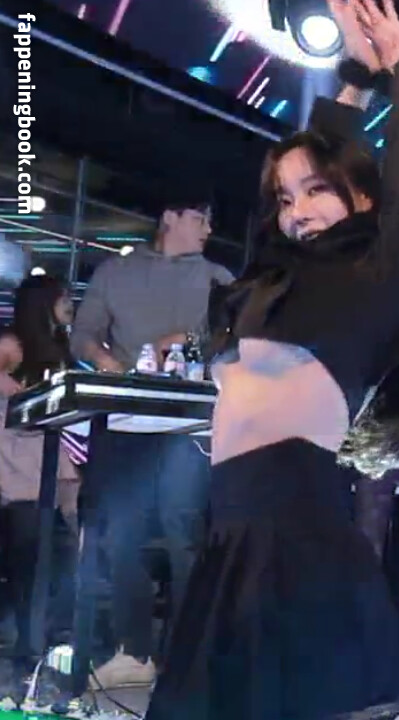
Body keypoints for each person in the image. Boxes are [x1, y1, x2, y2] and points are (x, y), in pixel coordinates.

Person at [145, 1, 399, 717]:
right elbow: (294, 205)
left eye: (317, 190)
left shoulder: (374, 275)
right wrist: (353, 78)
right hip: (233, 533)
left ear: (362, 195)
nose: (297, 210)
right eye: (285, 198)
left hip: (294, 536)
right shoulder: (276, 279)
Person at [70, 199, 233, 688]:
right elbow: (83, 335)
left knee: (185, 535)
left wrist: (189, 337)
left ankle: (184, 656)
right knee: (121, 535)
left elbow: (238, 335)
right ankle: (133, 651)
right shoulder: (115, 273)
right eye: (200, 218)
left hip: (189, 426)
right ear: (169, 217)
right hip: (124, 422)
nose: (208, 228)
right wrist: (110, 366)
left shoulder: (217, 278)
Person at [0, 275, 80, 673]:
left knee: (55, 551)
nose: (71, 306)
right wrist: (21, 395)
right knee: (30, 551)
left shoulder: (58, 347)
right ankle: (29, 642)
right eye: (64, 298)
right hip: (16, 457)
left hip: (48, 456)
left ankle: (45, 640)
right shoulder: (12, 344)